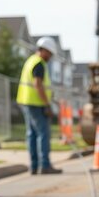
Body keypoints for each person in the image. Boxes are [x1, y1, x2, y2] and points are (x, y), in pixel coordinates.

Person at [16, 37, 62, 175]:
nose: (50, 57)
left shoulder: (30, 61)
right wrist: (47, 105)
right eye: (50, 53)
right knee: (43, 134)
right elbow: (38, 85)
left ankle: (34, 166)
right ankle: (45, 165)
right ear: (44, 50)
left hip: (27, 102)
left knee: (32, 134)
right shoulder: (39, 64)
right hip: (37, 103)